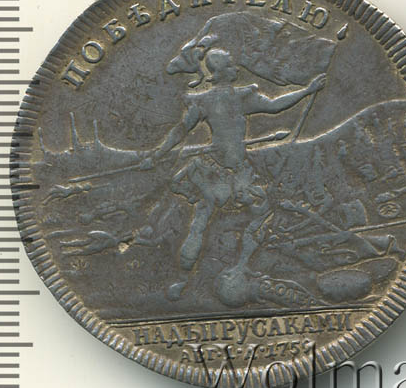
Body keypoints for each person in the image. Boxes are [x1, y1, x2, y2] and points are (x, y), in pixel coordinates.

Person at [140, 48, 326, 296]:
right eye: (230, 64)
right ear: (221, 72)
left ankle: (197, 277)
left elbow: (181, 131)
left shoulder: (211, 100)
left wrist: (157, 155)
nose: (235, 67)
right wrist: (306, 91)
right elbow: (274, 106)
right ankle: (217, 271)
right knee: (251, 211)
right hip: (223, 171)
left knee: (204, 218)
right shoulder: (236, 98)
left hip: (224, 170)